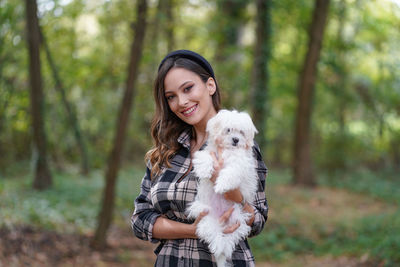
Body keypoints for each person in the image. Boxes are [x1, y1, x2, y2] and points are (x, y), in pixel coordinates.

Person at [131, 50, 268, 267]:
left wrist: (236, 197)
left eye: (188, 88)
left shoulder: (240, 144)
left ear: (210, 85)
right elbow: (140, 220)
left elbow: (258, 219)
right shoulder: (164, 152)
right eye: (171, 97)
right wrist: (193, 230)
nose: (182, 102)